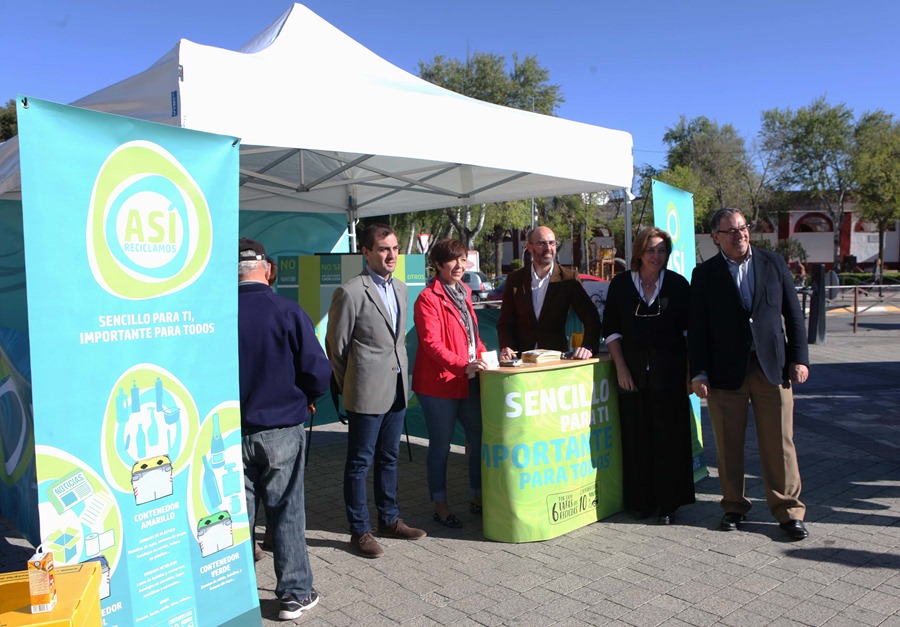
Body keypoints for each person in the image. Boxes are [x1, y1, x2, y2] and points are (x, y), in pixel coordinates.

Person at [690, 208, 810, 541]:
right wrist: (698, 372)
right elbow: (697, 329)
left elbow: (793, 316)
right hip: (725, 373)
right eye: (730, 231)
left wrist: (799, 359)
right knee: (729, 444)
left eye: (743, 228)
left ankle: (788, 512)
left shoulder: (773, 263)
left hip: (773, 369)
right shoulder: (704, 275)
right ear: (716, 237)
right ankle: (733, 506)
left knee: (780, 444)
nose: (739, 235)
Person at [237, 237, 332, 619]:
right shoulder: (287, 310)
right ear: (268, 269)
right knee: (287, 511)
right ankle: (294, 593)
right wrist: (309, 396)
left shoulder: (214, 315)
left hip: (230, 432)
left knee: (235, 518)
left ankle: (233, 593)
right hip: (282, 429)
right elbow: (318, 371)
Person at [325, 223, 426, 558]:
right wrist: (350, 385)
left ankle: (389, 519)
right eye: (384, 248)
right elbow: (336, 348)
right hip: (366, 392)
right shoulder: (351, 292)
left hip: (397, 389)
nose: (391, 254)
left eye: (395, 248)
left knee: (389, 458)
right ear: (366, 252)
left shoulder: (401, 288)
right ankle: (359, 530)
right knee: (359, 463)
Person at [602, 227, 695, 525]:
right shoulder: (620, 285)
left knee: (669, 439)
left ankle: (668, 503)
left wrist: (690, 374)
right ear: (639, 252)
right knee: (636, 439)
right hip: (633, 378)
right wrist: (621, 368)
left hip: (671, 376)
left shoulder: (679, 285)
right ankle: (641, 501)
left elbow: (688, 334)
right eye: (651, 250)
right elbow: (612, 331)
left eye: (662, 250)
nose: (657, 256)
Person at [412, 239, 488, 528]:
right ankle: (440, 505)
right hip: (438, 385)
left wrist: (486, 356)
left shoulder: (465, 292)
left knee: (478, 438)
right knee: (441, 447)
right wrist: (463, 365)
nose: (459, 265)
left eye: (463, 259)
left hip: (467, 380)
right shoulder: (427, 299)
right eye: (453, 260)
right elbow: (431, 344)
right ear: (438, 265)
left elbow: (472, 338)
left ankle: (477, 496)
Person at [497, 226, 602, 361]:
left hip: (554, 361)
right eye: (542, 243)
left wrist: (588, 347)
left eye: (552, 243)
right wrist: (507, 346)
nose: (548, 248)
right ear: (529, 247)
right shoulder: (515, 279)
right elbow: (505, 323)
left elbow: (591, 318)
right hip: (521, 361)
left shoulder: (568, 279)